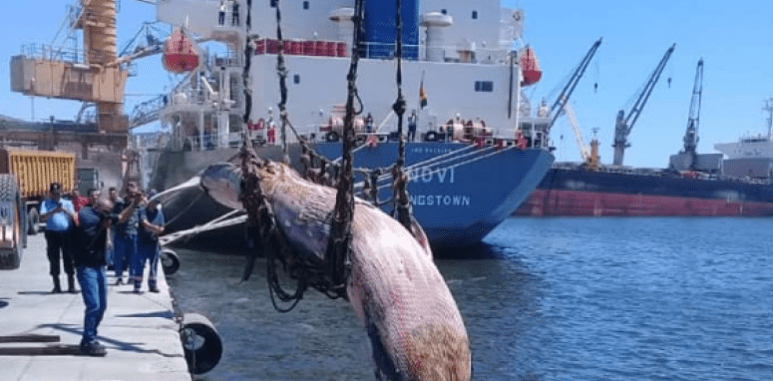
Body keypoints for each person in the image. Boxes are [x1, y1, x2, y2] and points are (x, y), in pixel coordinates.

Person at [72, 197, 137, 356]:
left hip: (99, 265)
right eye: (107, 212)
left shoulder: (103, 217)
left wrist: (134, 203)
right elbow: (97, 224)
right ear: (98, 208)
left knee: (102, 306)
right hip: (86, 266)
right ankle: (88, 340)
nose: (109, 216)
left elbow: (121, 217)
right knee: (93, 305)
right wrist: (105, 222)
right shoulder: (87, 215)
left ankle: (91, 336)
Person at [40, 182, 77, 293]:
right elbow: (42, 217)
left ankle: (71, 285)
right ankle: (57, 286)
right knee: (54, 259)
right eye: (54, 193)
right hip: (52, 234)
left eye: (58, 193)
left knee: (69, 258)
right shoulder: (46, 203)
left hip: (66, 234)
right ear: (51, 193)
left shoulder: (67, 203)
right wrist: (53, 211)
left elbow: (74, 217)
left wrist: (65, 210)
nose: (56, 196)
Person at [134, 192, 165, 293]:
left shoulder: (159, 212)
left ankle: (152, 285)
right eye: (154, 201)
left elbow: (162, 225)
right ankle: (137, 286)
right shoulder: (142, 210)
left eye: (157, 202)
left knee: (154, 264)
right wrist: (154, 228)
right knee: (140, 263)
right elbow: (144, 223)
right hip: (142, 242)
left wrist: (160, 230)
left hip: (153, 242)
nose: (155, 203)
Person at [112, 182, 142, 285]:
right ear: (127, 192)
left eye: (134, 193)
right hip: (121, 233)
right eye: (130, 192)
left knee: (133, 256)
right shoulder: (120, 203)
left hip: (133, 233)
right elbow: (117, 217)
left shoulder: (140, 205)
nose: (132, 195)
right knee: (119, 257)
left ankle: (132, 276)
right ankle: (119, 277)